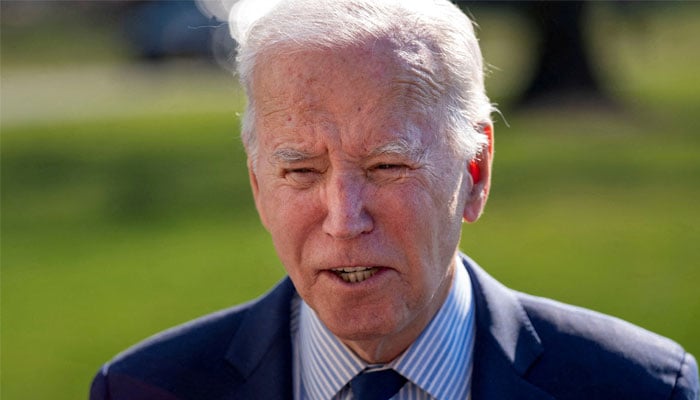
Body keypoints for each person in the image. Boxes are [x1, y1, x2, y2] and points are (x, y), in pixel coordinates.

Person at [90, 0, 699, 399]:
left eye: (387, 166)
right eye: (300, 170)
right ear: (256, 183)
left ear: (476, 170)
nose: (344, 218)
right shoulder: (143, 388)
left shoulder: (641, 386)